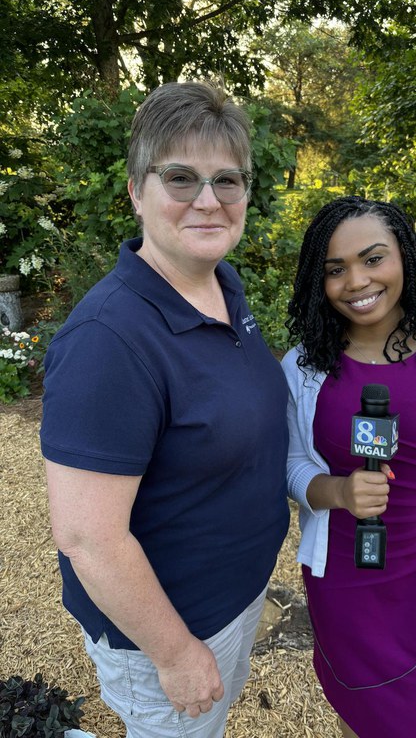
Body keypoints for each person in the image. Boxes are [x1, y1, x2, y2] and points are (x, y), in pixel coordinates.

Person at [40, 81, 290, 738]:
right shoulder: (109, 341)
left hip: (230, 601)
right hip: (167, 631)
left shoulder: (222, 285)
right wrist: (176, 654)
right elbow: (89, 539)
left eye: (227, 181)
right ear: (135, 189)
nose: (209, 201)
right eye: (181, 178)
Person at [281, 196, 416, 738]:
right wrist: (336, 491)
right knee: (355, 713)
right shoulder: (304, 368)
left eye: (373, 259)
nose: (357, 281)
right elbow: (287, 464)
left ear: (404, 256)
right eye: (336, 270)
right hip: (342, 583)